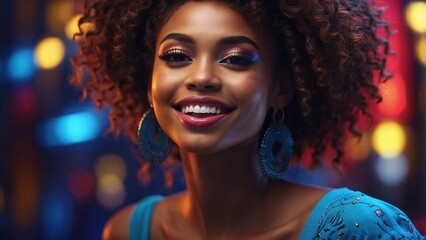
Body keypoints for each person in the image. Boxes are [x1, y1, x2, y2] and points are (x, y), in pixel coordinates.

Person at [71, 0, 425, 239]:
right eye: (177, 56)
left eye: (235, 59)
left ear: (281, 88)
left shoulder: (357, 228)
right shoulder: (128, 231)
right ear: (149, 82)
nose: (201, 77)